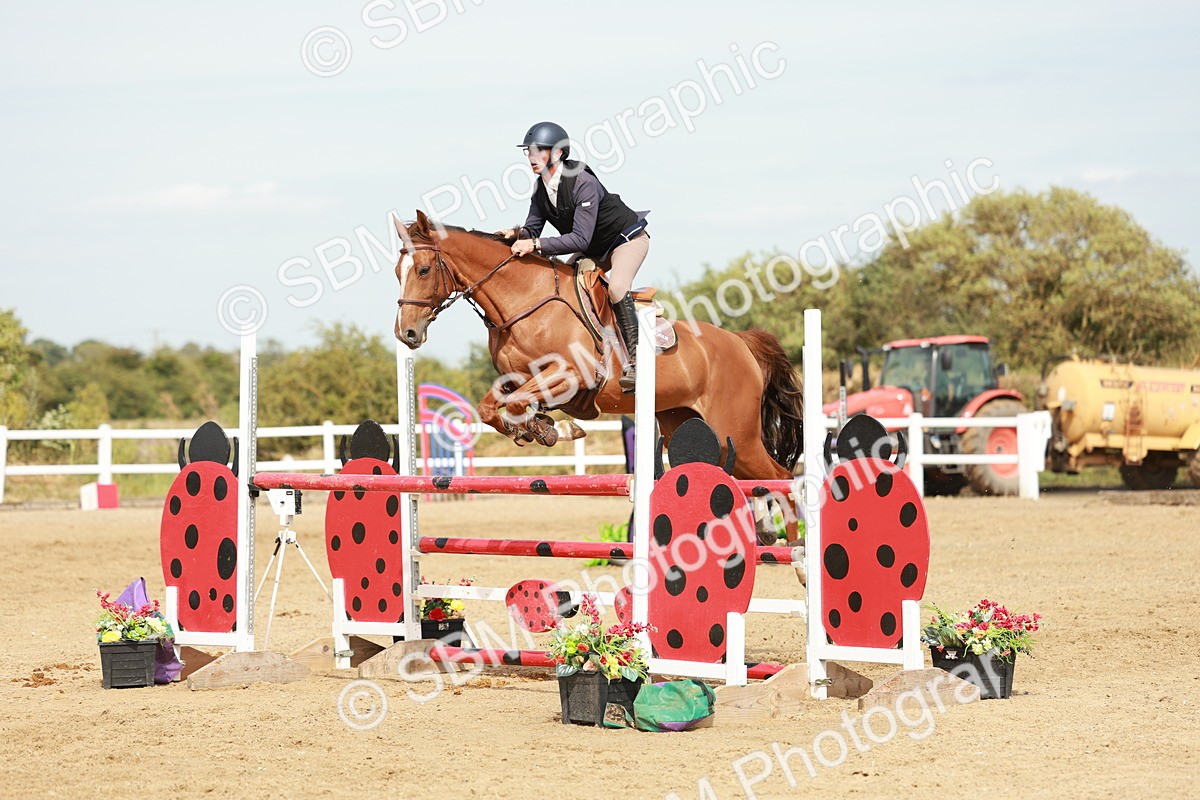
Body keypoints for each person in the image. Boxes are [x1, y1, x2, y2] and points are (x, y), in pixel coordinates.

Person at [499, 121, 649, 392]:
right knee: (563, 288)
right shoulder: (541, 187)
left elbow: (579, 239)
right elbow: (533, 228)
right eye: (529, 151)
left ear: (558, 153)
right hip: (593, 248)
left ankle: (637, 361)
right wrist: (516, 233)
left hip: (625, 240)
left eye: (538, 150)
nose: (532, 156)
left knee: (617, 288)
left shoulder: (582, 182)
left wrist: (535, 244)